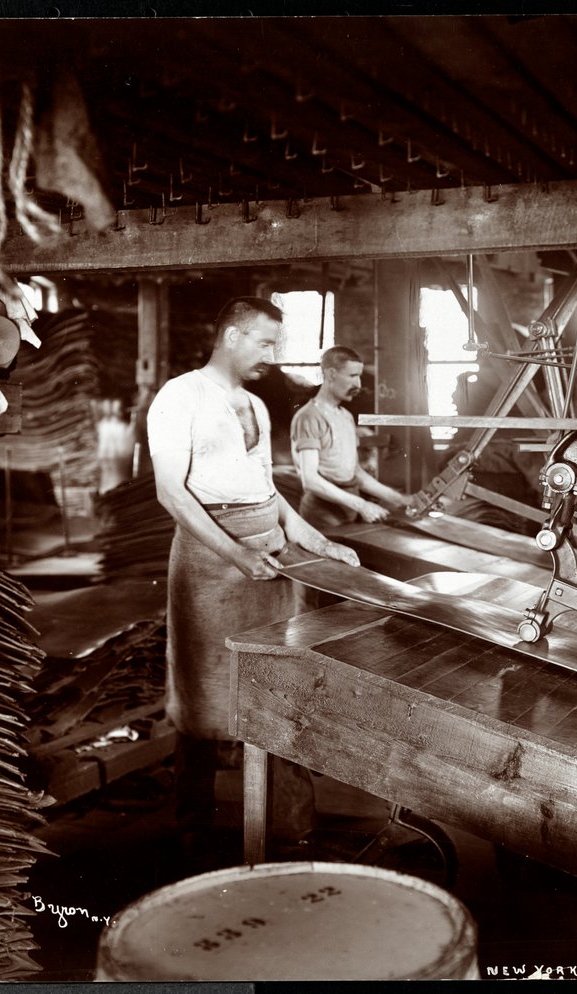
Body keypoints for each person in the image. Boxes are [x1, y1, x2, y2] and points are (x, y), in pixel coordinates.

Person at [146, 297, 360, 868]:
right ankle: (192, 825)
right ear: (234, 336)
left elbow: (267, 490)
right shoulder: (181, 396)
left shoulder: (257, 408)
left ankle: (292, 830)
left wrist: (317, 540)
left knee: (278, 687)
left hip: (268, 556)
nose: (275, 355)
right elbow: (172, 492)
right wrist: (235, 552)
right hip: (210, 561)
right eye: (267, 342)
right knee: (201, 693)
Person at [290, 346, 415, 529]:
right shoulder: (308, 417)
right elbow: (310, 480)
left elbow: (354, 473)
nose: (358, 384)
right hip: (323, 513)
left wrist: (399, 499)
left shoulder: (346, 417)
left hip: (349, 509)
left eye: (359, 376)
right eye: (352, 376)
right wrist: (362, 505)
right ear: (331, 374)